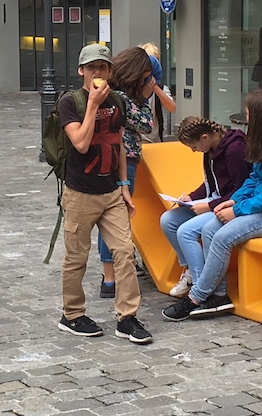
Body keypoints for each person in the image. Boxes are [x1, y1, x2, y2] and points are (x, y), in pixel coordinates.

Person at [161, 89, 262, 321]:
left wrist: (237, 210)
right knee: (211, 228)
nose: (246, 119)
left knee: (222, 237)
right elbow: (254, 178)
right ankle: (219, 296)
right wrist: (234, 200)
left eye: (249, 114)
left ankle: (196, 297)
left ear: (260, 117)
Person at [57, 43, 152, 345]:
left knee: (124, 252)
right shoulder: (70, 102)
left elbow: (118, 144)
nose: (97, 73)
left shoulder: (119, 102)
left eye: (103, 67)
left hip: (112, 192)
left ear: (110, 71)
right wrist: (93, 105)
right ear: (81, 71)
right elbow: (81, 144)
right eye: (92, 68)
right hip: (80, 193)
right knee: (77, 257)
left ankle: (128, 317)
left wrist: (124, 186)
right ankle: (72, 315)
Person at [159, 116, 250, 300]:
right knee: (167, 220)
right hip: (214, 201)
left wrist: (209, 205)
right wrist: (191, 197)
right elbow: (211, 182)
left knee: (185, 232)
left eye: (194, 146)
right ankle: (191, 272)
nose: (194, 151)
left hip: (228, 205)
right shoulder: (210, 151)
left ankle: (202, 286)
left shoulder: (234, 150)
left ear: (205, 137)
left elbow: (242, 189)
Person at [97, 46, 155, 299]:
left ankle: (109, 276)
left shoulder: (109, 92)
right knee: (116, 217)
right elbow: (146, 125)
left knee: (108, 216)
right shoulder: (123, 99)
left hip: (103, 160)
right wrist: (145, 96)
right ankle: (111, 279)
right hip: (123, 162)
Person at [140, 42, 177, 141]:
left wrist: (155, 87)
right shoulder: (132, 87)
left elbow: (172, 107)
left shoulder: (161, 88)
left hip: (154, 139)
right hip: (138, 139)